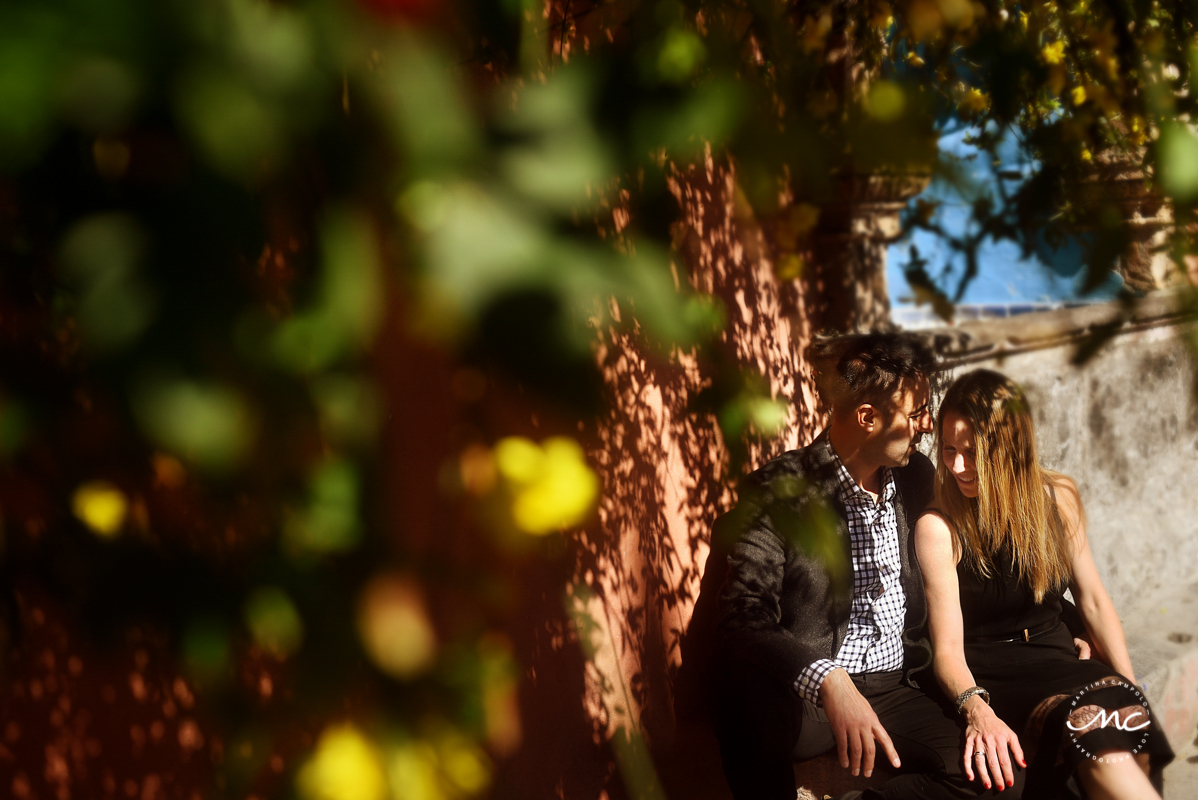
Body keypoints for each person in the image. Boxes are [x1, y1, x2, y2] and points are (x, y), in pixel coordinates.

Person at [715, 332, 994, 800]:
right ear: (868, 418)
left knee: (991, 775)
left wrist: (1060, 622)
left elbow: (961, 572)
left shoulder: (916, 478)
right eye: (917, 412)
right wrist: (826, 677)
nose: (927, 425)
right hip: (808, 702)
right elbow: (741, 614)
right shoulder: (779, 489)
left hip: (895, 689)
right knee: (745, 700)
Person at [915, 369, 1174, 800]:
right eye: (948, 449)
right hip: (996, 673)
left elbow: (1092, 598)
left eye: (972, 451)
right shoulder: (939, 527)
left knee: (1128, 723)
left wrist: (1130, 687)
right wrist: (977, 709)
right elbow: (946, 651)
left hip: (1061, 655)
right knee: (1093, 732)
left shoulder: (1059, 499)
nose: (958, 466)